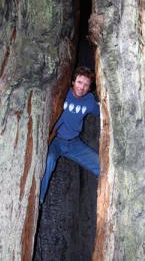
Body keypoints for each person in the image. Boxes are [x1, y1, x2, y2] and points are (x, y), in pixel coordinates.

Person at [39, 66, 100, 204]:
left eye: (86, 85)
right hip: (55, 141)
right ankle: (39, 201)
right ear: (73, 81)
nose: (82, 87)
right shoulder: (62, 92)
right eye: (79, 82)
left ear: (89, 88)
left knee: (101, 166)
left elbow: (102, 111)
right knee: (49, 160)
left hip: (74, 143)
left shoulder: (89, 100)